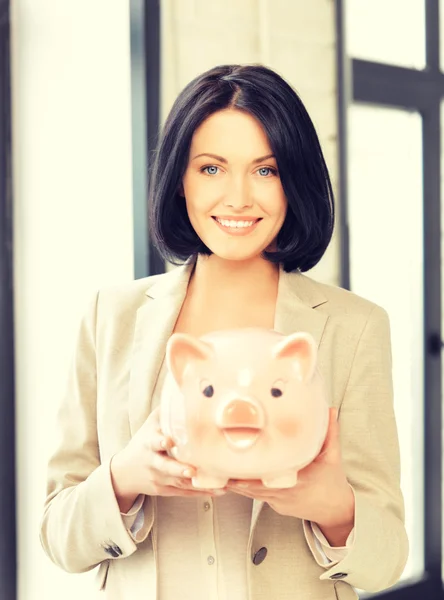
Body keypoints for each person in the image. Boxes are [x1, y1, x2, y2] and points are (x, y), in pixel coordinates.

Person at [40, 64, 408, 600]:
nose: (238, 198)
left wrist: (332, 506)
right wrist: (124, 478)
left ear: (294, 181)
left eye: (266, 170)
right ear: (179, 179)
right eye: (211, 169)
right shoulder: (111, 317)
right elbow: (58, 535)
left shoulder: (353, 328)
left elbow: (387, 560)